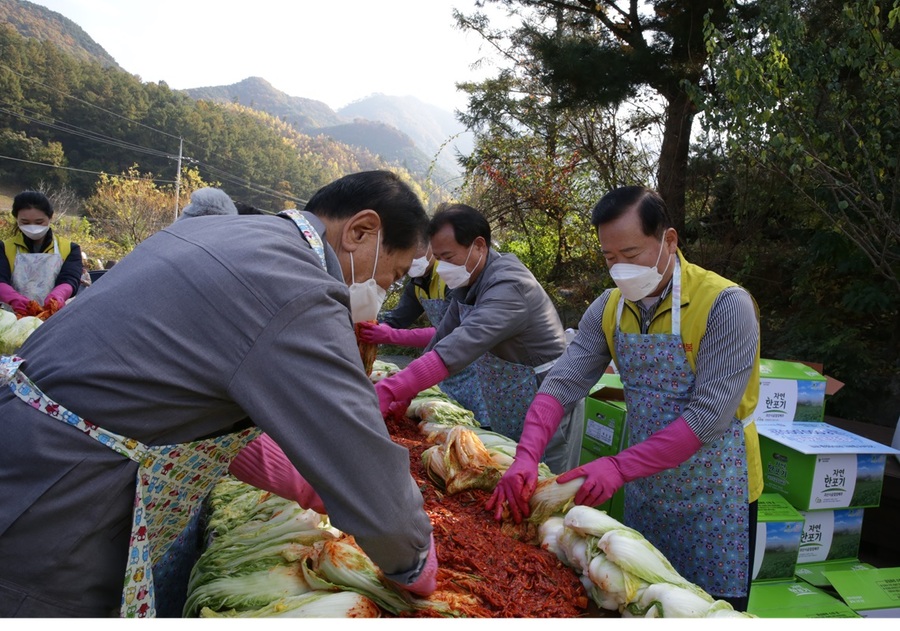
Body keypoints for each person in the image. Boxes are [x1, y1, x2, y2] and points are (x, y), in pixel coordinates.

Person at [0, 170, 437, 618]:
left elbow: (182, 394)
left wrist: (310, 484)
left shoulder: (227, 233)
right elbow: (358, 456)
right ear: (361, 231)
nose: (384, 288)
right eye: (393, 274)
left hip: (28, 449)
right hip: (62, 494)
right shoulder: (297, 287)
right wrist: (415, 559)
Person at [487, 185, 763, 611]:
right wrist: (526, 455)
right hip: (645, 483)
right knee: (640, 602)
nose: (620, 270)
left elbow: (707, 417)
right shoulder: (610, 308)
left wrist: (617, 465)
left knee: (708, 610)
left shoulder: (725, 305)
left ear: (669, 241)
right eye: (609, 258)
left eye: (631, 255)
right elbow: (561, 383)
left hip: (716, 493)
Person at [374, 203, 584, 474]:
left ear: (479, 246)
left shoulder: (509, 284)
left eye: (448, 257)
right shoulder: (470, 282)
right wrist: (407, 392)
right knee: (505, 468)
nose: (441, 268)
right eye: (438, 258)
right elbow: (442, 337)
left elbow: (463, 342)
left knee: (543, 479)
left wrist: (392, 389)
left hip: (544, 394)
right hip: (509, 396)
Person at [0, 191, 82, 316]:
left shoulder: (69, 248)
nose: (33, 227)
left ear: (50, 217)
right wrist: (13, 299)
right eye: (25, 222)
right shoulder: (4, 247)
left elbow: (70, 279)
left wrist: (58, 295)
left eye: (39, 222)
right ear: (16, 219)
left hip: (54, 316)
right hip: (12, 317)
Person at [356, 241, 449, 348]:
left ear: (432, 246)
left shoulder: (449, 278)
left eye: (415, 251)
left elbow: (448, 330)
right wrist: (380, 327)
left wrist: (391, 335)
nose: (411, 260)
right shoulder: (416, 285)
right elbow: (399, 318)